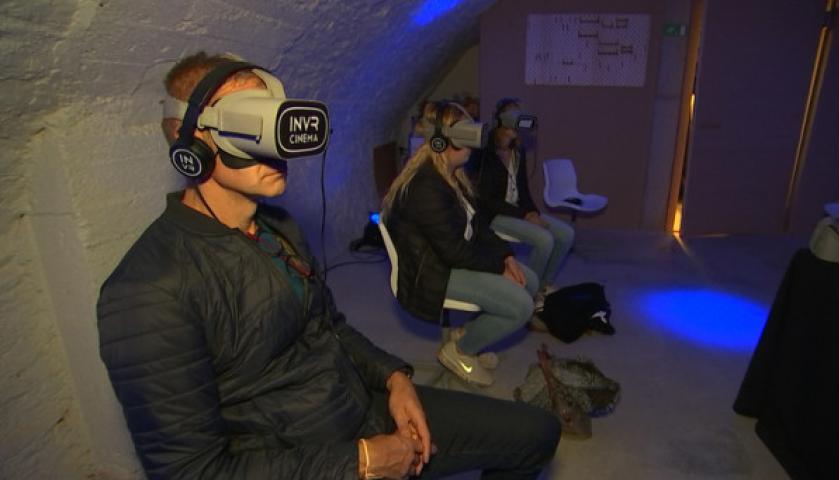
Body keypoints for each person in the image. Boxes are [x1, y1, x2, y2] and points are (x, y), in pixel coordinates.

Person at [97, 52, 560, 480]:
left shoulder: (278, 227)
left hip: (356, 401)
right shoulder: (149, 291)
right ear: (194, 140)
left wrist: (395, 378)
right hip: (304, 456)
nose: (278, 145)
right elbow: (191, 472)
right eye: (251, 124)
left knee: (537, 433)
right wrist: (361, 461)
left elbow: (330, 327)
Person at [382, 101, 539, 387]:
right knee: (520, 305)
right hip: (433, 273)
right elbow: (454, 252)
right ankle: (461, 351)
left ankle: (468, 335)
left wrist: (506, 256)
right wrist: (498, 268)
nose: (473, 142)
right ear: (441, 141)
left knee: (530, 280)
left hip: (452, 258)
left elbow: (478, 224)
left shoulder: (452, 174)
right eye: (464, 134)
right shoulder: (426, 186)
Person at [470, 98, 574, 294]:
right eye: (510, 115)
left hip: (517, 210)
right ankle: (526, 292)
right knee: (544, 240)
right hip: (494, 214)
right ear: (499, 119)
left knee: (566, 234)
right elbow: (487, 200)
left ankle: (542, 285)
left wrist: (533, 212)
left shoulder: (518, 150)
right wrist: (525, 215)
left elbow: (523, 189)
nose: (515, 120)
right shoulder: (484, 150)